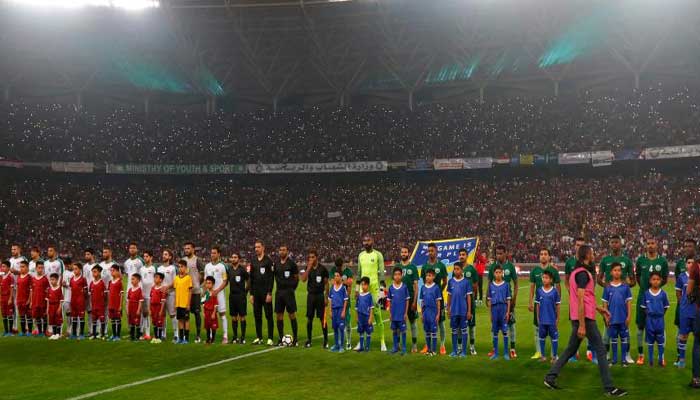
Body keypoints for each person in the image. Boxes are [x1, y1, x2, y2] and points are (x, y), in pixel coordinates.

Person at [544, 245, 627, 397]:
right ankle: (609, 388)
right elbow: (581, 299)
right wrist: (582, 324)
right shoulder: (583, 274)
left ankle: (550, 377)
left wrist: (599, 309)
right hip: (585, 319)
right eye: (592, 253)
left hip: (579, 316)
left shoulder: (577, 272)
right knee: (601, 350)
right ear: (586, 256)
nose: (593, 255)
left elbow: (584, 298)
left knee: (571, 349)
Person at [597, 235, 636, 365]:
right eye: (612, 242)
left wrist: (625, 285)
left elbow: (634, 280)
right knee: (607, 328)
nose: (614, 244)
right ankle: (608, 354)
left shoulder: (627, 260)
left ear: (620, 244)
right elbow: (599, 278)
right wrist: (607, 286)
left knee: (625, 330)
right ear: (610, 244)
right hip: (609, 298)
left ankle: (627, 355)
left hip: (622, 299)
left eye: (616, 242)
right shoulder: (605, 260)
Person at [634, 237, 669, 365]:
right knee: (640, 327)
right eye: (648, 243)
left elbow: (665, 278)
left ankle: (661, 356)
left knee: (660, 326)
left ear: (657, 244)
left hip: (657, 298)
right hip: (643, 297)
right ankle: (641, 355)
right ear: (645, 245)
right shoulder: (640, 260)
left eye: (652, 243)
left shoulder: (662, 261)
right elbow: (638, 276)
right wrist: (646, 291)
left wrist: (655, 289)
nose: (650, 245)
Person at [487, 245, 519, 358]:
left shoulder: (510, 266)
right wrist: (487, 297)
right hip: (496, 302)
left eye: (501, 253)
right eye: (497, 253)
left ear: (505, 253)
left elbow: (516, 283)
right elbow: (489, 283)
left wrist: (514, 298)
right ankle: (494, 349)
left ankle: (512, 349)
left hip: (508, 301)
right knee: (494, 325)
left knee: (511, 324)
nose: (498, 255)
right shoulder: (493, 267)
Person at [529, 248, 561, 360]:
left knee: (553, 329)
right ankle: (539, 352)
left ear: (549, 257)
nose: (543, 256)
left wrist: (558, 301)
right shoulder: (535, 271)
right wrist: (530, 302)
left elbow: (558, 287)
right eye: (541, 254)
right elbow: (532, 288)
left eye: (545, 254)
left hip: (551, 304)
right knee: (537, 327)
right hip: (539, 303)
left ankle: (553, 354)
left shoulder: (553, 270)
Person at [357, 234, 387, 352]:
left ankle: (382, 341)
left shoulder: (378, 255)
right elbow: (359, 273)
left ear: (372, 241)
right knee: (361, 316)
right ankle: (361, 342)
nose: (366, 243)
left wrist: (382, 292)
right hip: (363, 290)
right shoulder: (361, 255)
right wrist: (357, 289)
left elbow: (382, 274)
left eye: (368, 240)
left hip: (374, 290)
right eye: (364, 241)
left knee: (377, 315)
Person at [601, 263, 632, 366]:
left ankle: (623, 359)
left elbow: (629, 303)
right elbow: (605, 304)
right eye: (615, 270)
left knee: (624, 339)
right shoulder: (607, 287)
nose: (617, 272)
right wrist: (606, 317)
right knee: (613, 339)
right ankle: (614, 359)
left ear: (621, 272)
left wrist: (629, 316)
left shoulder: (625, 287)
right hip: (612, 318)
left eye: (619, 270)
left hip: (623, 318)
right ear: (611, 272)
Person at [420, 242, 447, 354]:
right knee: (427, 321)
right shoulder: (425, 267)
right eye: (429, 251)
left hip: (438, 300)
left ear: (436, 251)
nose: (430, 252)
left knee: (440, 322)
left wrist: (438, 291)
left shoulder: (441, 266)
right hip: (428, 301)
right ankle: (427, 345)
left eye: (432, 250)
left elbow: (445, 281)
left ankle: (442, 345)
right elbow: (424, 282)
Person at [301, 249, 329, 348]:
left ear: (317, 257)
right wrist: (308, 268)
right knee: (309, 319)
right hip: (311, 296)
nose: (311, 259)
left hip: (320, 296)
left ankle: (326, 340)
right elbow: (303, 279)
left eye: (313, 257)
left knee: (322, 319)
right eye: (310, 257)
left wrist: (326, 297)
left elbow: (326, 284)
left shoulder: (323, 269)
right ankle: (309, 340)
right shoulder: (307, 268)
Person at [674, 238, 696, 365]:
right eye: (686, 246)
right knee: (682, 332)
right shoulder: (681, 271)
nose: (688, 248)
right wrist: (682, 303)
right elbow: (678, 290)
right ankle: (680, 358)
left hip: (696, 309)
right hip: (684, 309)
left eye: (690, 246)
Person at [249, 240, 275, 346]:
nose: (256, 249)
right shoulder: (253, 261)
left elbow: (271, 278)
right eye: (255, 247)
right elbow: (251, 278)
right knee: (257, 316)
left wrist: (269, 293)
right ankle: (259, 337)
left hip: (265, 293)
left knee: (269, 316)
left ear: (263, 248)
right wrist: (251, 294)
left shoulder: (268, 261)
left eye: (258, 247)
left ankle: (270, 338)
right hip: (256, 293)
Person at [641, 271, 669, 366]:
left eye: (657, 279)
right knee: (650, 340)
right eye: (654, 279)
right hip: (650, 320)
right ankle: (651, 360)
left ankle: (661, 359)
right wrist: (650, 315)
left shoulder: (663, 294)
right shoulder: (646, 294)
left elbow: (665, 307)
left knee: (660, 340)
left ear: (661, 281)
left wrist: (660, 314)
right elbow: (644, 307)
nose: (656, 281)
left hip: (660, 320)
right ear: (650, 281)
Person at [274, 245, 299, 347]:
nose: (282, 251)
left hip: (289, 293)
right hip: (279, 292)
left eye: (284, 250)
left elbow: (296, 278)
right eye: (280, 250)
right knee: (279, 315)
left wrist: (292, 289)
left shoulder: (292, 264)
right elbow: (275, 276)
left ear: (287, 251)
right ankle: (280, 338)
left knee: (291, 314)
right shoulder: (276, 264)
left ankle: (295, 339)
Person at [446, 262, 473, 358]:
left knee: (464, 331)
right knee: (454, 331)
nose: (456, 271)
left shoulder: (466, 282)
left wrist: (469, 311)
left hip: (463, 311)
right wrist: (448, 309)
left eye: (458, 269)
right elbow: (449, 296)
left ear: (462, 270)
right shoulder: (451, 281)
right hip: (454, 310)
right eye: (455, 269)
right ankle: (454, 351)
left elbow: (469, 297)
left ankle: (463, 352)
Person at [204, 247, 229, 344]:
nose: (212, 255)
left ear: (219, 254)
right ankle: (210, 337)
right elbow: (205, 281)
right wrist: (205, 292)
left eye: (214, 253)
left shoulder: (222, 266)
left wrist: (217, 290)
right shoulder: (207, 266)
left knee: (222, 314)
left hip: (219, 294)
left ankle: (225, 336)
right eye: (211, 253)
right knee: (208, 315)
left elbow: (225, 281)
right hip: (209, 295)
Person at [487, 265, 511, 360]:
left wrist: (508, 312)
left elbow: (508, 299)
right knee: (495, 332)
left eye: (499, 272)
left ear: (502, 273)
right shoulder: (491, 285)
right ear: (494, 274)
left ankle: (506, 353)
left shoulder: (506, 285)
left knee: (505, 331)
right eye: (496, 272)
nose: (498, 274)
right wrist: (490, 314)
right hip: (494, 309)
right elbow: (489, 300)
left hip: (503, 309)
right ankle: (496, 353)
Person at [535, 270, 560, 362]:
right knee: (541, 337)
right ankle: (543, 356)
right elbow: (537, 305)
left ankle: (554, 357)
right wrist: (538, 317)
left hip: (552, 319)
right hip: (542, 319)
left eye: (546, 278)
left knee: (554, 338)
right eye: (543, 277)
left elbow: (558, 305)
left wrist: (558, 318)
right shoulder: (539, 291)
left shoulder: (554, 291)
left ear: (551, 280)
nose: (544, 279)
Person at [458, 249, 479, 356]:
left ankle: (472, 347)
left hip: (469, 302)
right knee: (459, 326)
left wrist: (472, 298)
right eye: (460, 255)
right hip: (459, 303)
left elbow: (475, 285)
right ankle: (460, 347)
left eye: (463, 254)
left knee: (471, 325)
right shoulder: (457, 269)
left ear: (467, 256)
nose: (461, 256)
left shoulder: (471, 269)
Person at [330, 257, 354, 350]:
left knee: (347, 322)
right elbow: (332, 282)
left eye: (339, 267)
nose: (338, 268)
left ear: (342, 265)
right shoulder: (333, 270)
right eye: (337, 267)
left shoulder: (348, 271)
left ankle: (348, 342)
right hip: (336, 301)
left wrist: (341, 282)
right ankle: (338, 343)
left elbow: (350, 283)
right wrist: (345, 282)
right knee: (337, 324)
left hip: (345, 300)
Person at [182, 242, 204, 344]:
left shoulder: (197, 260)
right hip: (185, 292)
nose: (186, 250)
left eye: (188, 248)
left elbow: (202, 275)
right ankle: (185, 335)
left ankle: (198, 335)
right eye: (185, 248)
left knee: (196, 313)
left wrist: (197, 284)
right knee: (185, 314)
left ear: (193, 249)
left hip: (195, 291)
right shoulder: (183, 260)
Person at [387, 266, 410, 355]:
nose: (397, 276)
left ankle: (404, 348)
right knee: (394, 330)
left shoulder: (404, 287)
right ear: (393, 276)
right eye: (395, 274)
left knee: (403, 331)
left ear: (401, 275)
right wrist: (390, 313)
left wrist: (405, 313)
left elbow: (407, 300)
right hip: (394, 314)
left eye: (399, 274)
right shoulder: (391, 288)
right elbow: (389, 301)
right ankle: (395, 347)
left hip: (401, 314)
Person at [227, 252, 249, 344]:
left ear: (239, 259)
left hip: (241, 296)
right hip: (232, 296)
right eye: (232, 257)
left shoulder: (242, 270)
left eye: (235, 257)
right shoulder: (229, 269)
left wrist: (245, 291)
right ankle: (235, 337)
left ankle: (242, 337)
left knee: (242, 316)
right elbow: (226, 281)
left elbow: (249, 280)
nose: (233, 259)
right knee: (233, 317)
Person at [420, 269, 441, 356]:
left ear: (433, 277)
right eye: (427, 275)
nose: (428, 277)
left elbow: (438, 302)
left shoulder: (436, 288)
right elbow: (422, 302)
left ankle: (434, 350)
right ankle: (428, 350)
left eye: (430, 275)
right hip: (426, 313)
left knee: (433, 332)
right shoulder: (423, 287)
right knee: (427, 332)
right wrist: (421, 314)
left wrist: (438, 314)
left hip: (433, 312)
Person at [157, 249, 177, 342]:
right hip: (161, 295)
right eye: (163, 254)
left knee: (172, 314)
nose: (163, 256)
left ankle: (176, 334)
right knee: (163, 315)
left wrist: (167, 287)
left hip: (171, 293)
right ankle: (163, 334)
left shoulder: (173, 268)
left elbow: (175, 281)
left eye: (166, 254)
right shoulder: (159, 268)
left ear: (170, 257)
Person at [328, 270, 349, 353]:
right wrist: (330, 311)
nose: (336, 277)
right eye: (335, 276)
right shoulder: (332, 288)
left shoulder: (343, 288)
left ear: (340, 277)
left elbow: (345, 300)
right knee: (335, 328)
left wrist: (343, 311)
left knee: (341, 328)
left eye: (337, 276)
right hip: (334, 310)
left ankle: (341, 346)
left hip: (340, 310)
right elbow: (330, 300)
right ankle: (336, 345)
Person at [174, 259, 193, 344]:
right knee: (180, 320)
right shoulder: (176, 278)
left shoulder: (188, 278)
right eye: (179, 267)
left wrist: (188, 304)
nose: (180, 268)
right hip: (178, 303)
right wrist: (175, 303)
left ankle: (186, 338)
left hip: (185, 303)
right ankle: (181, 338)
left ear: (185, 268)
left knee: (186, 320)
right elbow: (176, 291)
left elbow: (190, 291)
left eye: (182, 267)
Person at [139, 250, 157, 341]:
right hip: (143, 294)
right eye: (144, 256)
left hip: (151, 294)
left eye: (147, 256)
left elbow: (157, 280)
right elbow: (140, 281)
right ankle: (144, 333)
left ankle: (151, 333)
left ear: (151, 257)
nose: (145, 258)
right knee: (144, 314)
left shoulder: (154, 268)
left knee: (151, 313)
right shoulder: (141, 269)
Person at [30, 261, 49, 336]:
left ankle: (44, 331)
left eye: (42, 268)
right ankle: (40, 331)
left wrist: (46, 301)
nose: (40, 269)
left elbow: (47, 291)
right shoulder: (33, 279)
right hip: (35, 301)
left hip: (43, 301)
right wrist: (31, 301)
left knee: (44, 316)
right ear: (36, 268)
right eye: (39, 268)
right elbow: (32, 291)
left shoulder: (45, 279)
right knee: (37, 317)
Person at [69, 262, 88, 340]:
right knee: (74, 317)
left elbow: (86, 291)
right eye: (73, 269)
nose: (74, 270)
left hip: (80, 301)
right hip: (73, 301)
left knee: (81, 317)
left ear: (80, 269)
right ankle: (74, 334)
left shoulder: (83, 279)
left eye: (76, 269)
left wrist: (84, 295)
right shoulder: (71, 279)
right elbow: (71, 289)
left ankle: (81, 334)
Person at [355, 277, 374, 352]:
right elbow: (356, 307)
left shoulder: (369, 295)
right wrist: (357, 317)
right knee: (361, 332)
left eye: (365, 285)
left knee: (368, 332)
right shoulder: (359, 296)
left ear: (368, 285)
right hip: (360, 317)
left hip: (367, 317)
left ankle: (367, 347)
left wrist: (370, 317)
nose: (363, 286)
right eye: (362, 285)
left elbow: (371, 307)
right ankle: (361, 347)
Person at [89, 265, 107, 340]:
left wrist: (104, 304)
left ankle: (102, 334)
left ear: (99, 273)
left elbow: (105, 295)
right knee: (94, 320)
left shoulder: (102, 283)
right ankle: (94, 335)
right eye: (92, 272)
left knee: (102, 320)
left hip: (100, 306)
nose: (93, 273)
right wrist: (91, 304)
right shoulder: (91, 283)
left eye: (95, 272)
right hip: (93, 305)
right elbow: (90, 294)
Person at [107, 265, 123, 341]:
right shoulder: (110, 282)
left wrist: (120, 305)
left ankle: (118, 335)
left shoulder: (119, 282)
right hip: (111, 304)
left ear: (117, 271)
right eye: (111, 270)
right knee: (112, 320)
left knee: (118, 319)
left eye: (113, 270)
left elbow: (122, 295)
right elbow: (109, 294)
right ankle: (114, 335)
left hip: (117, 304)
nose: (112, 272)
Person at [16, 261, 32, 336]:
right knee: (22, 316)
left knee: (28, 316)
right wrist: (17, 298)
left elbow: (31, 290)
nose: (21, 268)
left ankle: (30, 331)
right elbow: (18, 288)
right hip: (20, 299)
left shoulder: (29, 277)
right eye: (20, 267)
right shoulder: (19, 276)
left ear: (27, 268)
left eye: (23, 267)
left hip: (26, 300)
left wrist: (29, 300)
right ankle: (23, 331)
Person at [150, 272, 166, 344]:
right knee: (154, 322)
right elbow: (150, 299)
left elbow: (163, 301)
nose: (155, 279)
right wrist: (150, 309)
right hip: (152, 307)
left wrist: (161, 310)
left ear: (161, 280)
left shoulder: (162, 289)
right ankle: (155, 337)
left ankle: (159, 337)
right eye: (154, 277)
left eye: (157, 277)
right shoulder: (152, 288)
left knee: (159, 322)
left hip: (159, 307)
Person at [126, 273, 144, 342]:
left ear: (138, 280)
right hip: (130, 309)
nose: (132, 281)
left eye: (133, 279)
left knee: (137, 323)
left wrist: (138, 310)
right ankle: (132, 337)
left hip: (136, 309)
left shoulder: (139, 290)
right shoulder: (130, 290)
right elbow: (128, 300)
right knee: (131, 323)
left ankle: (138, 337)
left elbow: (140, 301)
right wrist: (127, 309)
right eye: (131, 279)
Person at [202, 276, 219, 345]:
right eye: (207, 283)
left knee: (213, 327)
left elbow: (216, 304)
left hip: (212, 312)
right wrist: (203, 312)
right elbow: (203, 303)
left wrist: (214, 313)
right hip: (206, 312)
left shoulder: (214, 293)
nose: (208, 285)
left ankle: (213, 340)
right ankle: (208, 339)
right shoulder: (205, 293)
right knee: (207, 327)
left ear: (213, 284)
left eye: (209, 283)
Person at [1, 261, 16, 336]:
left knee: (9, 314)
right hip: (2, 297)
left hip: (8, 297)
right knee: (4, 314)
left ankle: (10, 332)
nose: (2, 268)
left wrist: (10, 298)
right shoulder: (1, 276)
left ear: (8, 268)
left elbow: (12, 288)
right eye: (2, 266)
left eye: (4, 266)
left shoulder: (11, 276)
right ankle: (6, 331)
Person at [46, 273, 63, 340]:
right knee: (52, 320)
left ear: (57, 280)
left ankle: (58, 334)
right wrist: (47, 308)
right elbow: (47, 300)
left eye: (53, 280)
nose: (52, 281)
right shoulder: (49, 289)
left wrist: (60, 307)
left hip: (57, 306)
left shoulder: (59, 289)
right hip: (51, 307)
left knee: (57, 321)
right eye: (51, 280)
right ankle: (54, 334)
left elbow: (61, 300)